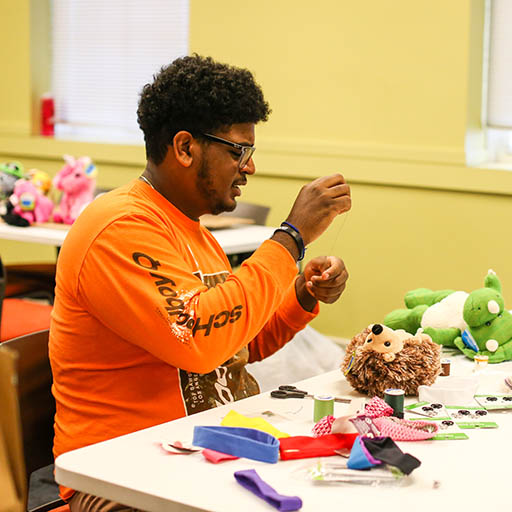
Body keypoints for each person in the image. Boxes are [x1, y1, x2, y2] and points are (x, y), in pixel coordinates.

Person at [50, 55, 352, 510]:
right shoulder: (119, 227)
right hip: (119, 477)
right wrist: (290, 238)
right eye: (238, 150)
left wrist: (300, 296)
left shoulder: (194, 230)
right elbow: (197, 338)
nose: (249, 167)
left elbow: (233, 345)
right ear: (186, 147)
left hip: (207, 451)